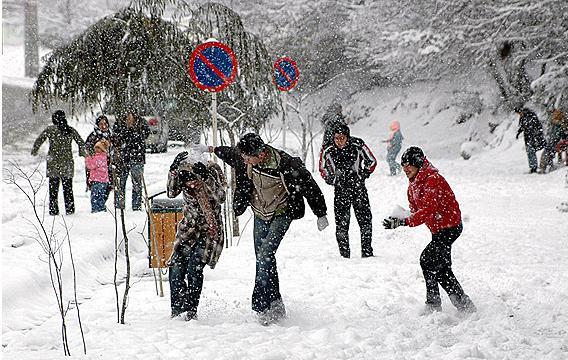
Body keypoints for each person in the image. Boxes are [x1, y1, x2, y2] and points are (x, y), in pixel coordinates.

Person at [194, 133, 328, 325]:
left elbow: (309, 185)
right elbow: (230, 153)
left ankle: (261, 306)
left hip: (282, 212)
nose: (245, 160)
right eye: (244, 157)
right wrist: (210, 149)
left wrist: (320, 212)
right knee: (264, 260)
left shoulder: (286, 164)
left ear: (261, 154)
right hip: (260, 213)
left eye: (248, 157)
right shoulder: (245, 159)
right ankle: (276, 304)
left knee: (265, 254)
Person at [382, 146, 476, 314]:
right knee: (441, 267)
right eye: (403, 165)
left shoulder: (432, 179)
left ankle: (437, 304)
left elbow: (428, 211)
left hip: (450, 227)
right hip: (438, 230)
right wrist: (399, 218)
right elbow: (416, 211)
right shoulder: (413, 185)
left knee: (428, 260)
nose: (405, 168)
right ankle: (462, 305)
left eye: (409, 164)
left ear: (418, 163)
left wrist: (403, 223)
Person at [166, 152, 226, 321]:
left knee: (195, 268)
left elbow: (221, 197)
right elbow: (171, 192)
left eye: (194, 181)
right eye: (187, 183)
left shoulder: (209, 174)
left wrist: (206, 179)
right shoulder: (183, 178)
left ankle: (191, 311)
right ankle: (177, 310)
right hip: (189, 230)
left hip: (210, 231)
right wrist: (172, 170)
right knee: (176, 267)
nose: (191, 186)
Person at [319, 124, 377, 258]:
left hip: (358, 189)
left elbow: (372, 161)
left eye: (342, 138)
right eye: (336, 138)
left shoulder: (358, 145)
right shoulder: (328, 150)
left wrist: (363, 174)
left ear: (348, 137)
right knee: (342, 224)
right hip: (341, 190)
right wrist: (333, 180)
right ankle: (344, 255)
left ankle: (367, 252)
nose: (339, 141)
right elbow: (323, 169)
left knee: (365, 221)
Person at [31, 110, 85, 215]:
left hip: (53, 164)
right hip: (67, 164)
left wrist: (35, 150)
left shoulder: (50, 130)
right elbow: (81, 142)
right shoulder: (70, 130)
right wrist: (82, 153)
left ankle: (53, 211)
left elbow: (39, 140)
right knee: (68, 190)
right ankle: (70, 210)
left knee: (53, 191)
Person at [112, 110, 150, 211]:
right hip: (123, 159)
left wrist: (133, 130)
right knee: (120, 183)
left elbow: (145, 135)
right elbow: (116, 139)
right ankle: (119, 206)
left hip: (137, 158)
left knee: (137, 183)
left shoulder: (141, 124)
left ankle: (136, 206)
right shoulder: (119, 124)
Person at [514, 107, 546, 173]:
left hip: (532, 137)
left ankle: (534, 167)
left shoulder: (529, 116)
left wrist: (535, 136)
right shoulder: (525, 116)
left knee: (531, 151)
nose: (519, 115)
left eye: (519, 113)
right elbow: (523, 126)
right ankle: (533, 166)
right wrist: (519, 132)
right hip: (529, 137)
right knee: (530, 151)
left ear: (521, 111)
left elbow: (530, 127)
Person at [85, 115, 112, 191]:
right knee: (97, 195)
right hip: (96, 172)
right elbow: (88, 151)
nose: (103, 126)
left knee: (106, 192)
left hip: (108, 169)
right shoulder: (93, 136)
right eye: (101, 124)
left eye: (105, 124)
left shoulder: (111, 135)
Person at [85, 140, 111, 212]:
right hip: (102, 180)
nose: (96, 149)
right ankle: (100, 208)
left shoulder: (99, 157)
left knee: (95, 196)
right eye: (95, 147)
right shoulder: (103, 157)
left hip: (98, 180)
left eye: (98, 148)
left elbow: (91, 166)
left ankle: (97, 209)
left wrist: (88, 158)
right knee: (100, 196)